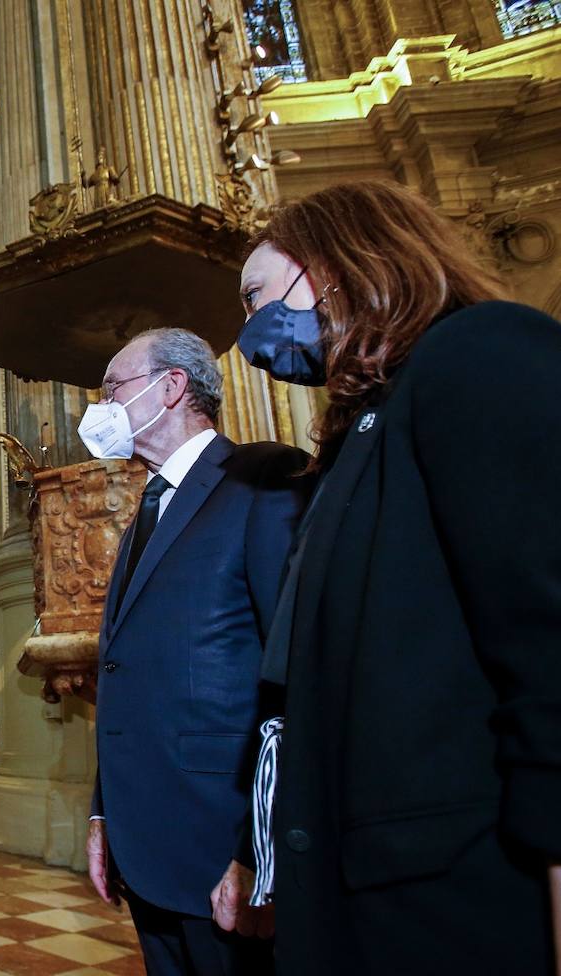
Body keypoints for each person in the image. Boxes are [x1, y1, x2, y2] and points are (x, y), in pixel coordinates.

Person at [217, 179, 561, 974]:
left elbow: (547, 644)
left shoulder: (483, 353)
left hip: (465, 892)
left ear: (333, 264)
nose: (249, 334)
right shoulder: (361, 440)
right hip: (368, 889)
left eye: (256, 296)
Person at [80, 327, 307, 976]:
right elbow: (124, 673)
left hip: (224, 840)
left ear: (171, 387)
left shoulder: (263, 479)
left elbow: (290, 671)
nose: (101, 409)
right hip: (147, 840)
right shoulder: (144, 518)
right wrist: (104, 810)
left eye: (112, 389)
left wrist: (262, 850)